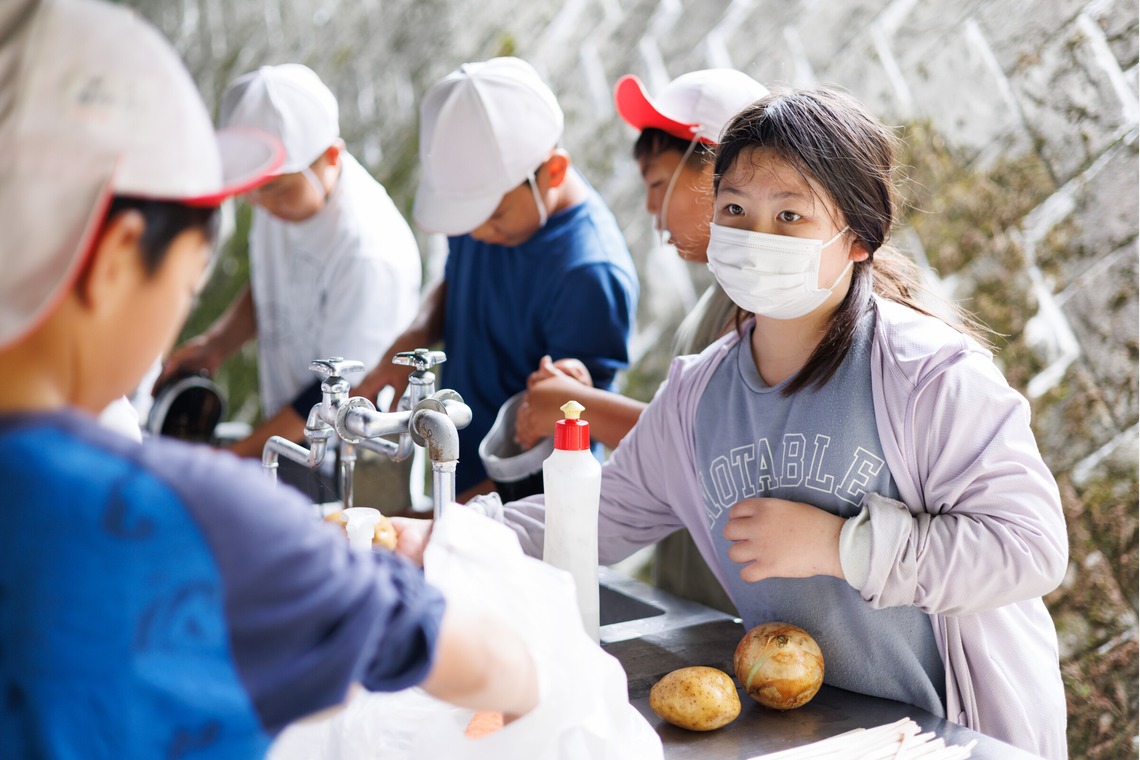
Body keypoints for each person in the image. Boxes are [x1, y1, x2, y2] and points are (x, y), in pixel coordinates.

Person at [0, 1, 535, 755]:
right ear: (120, 257)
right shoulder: (200, 521)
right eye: (190, 278)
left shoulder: (371, 250)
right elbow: (503, 667)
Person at [487, 88, 1069, 757]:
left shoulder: (930, 375)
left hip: (951, 736)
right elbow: (585, 519)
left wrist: (839, 546)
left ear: (856, 238)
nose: (754, 236)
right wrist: (437, 536)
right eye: (734, 208)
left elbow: (1029, 549)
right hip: (819, 734)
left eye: (789, 215)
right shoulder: (695, 397)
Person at [512, 69, 767, 614]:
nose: (653, 210)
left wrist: (581, 409)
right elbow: (684, 428)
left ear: (720, 171)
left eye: (658, 184)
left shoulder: (765, 312)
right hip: (697, 600)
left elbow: (713, 450)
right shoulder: (719, 301)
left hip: (737, 613)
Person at [354, 57, 639, 501]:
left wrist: (446, 521)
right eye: (467, 220)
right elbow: (455, 280)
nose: (479, 233)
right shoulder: (484, 212)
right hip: (460, 477)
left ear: (553, 172)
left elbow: (569, 444)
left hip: (529, 513)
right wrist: (412, 336)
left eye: (495, 215)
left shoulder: (588, 275)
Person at [157, 63, 422, 475]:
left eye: (275, 188)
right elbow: (274, 281)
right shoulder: (281, 193)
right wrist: (218, 342)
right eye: (251, 188)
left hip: (351, 461)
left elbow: (334, 398)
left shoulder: (370, 253)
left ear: (332, 156)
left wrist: (228, 459)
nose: (260, 202)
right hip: (290, 437)